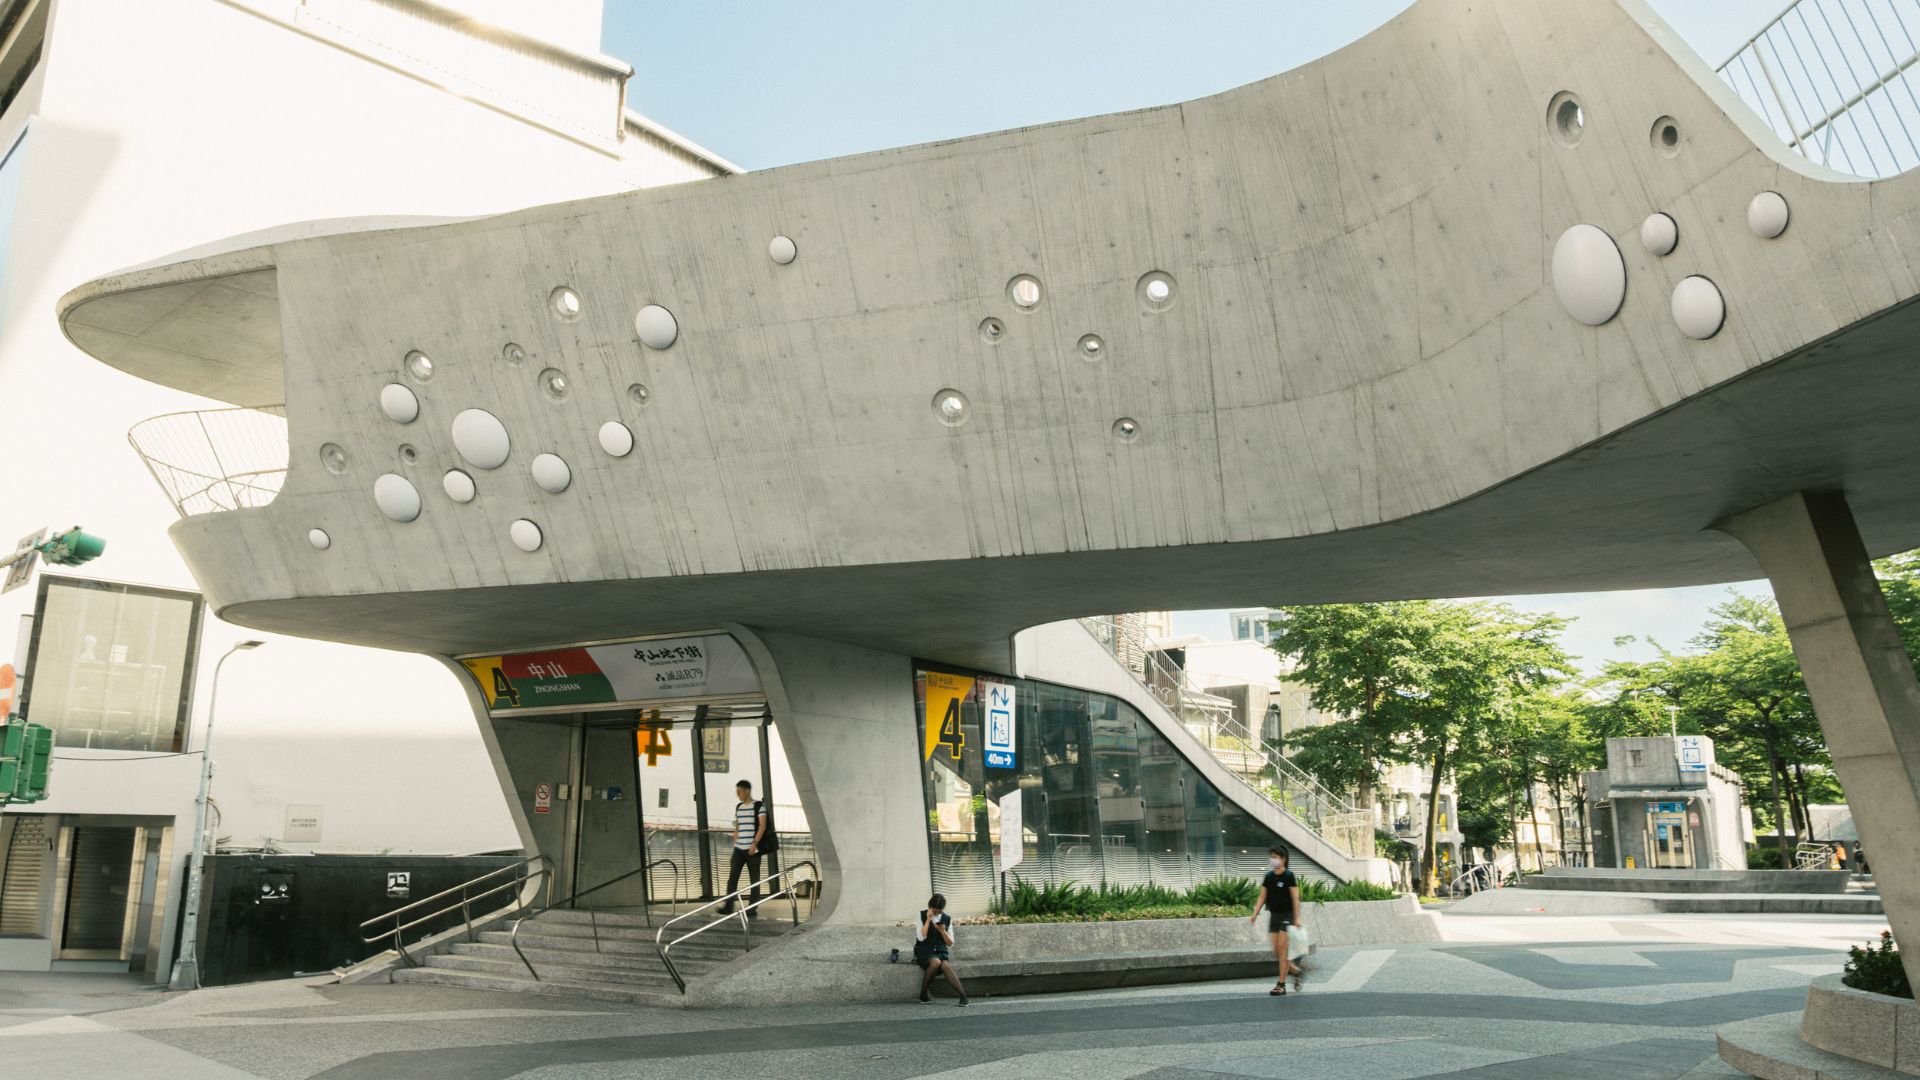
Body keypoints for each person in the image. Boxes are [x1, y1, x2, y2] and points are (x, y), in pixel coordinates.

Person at [1250, 846, 1304, 995]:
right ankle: (1295, 970)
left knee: (1281, 949)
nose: (1272, 859)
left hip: (1287, 916)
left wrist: (1297, 917)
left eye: (1275, 857)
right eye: (1271, 856)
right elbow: (1262, 896)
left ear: (1283, 859)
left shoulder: (1289, 876)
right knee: (1276, 951)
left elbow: (1295, 897)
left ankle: (1281, 985)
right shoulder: (1269, 876)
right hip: (1274, 915)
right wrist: (1255, 913)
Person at [718, 779, 766, 917]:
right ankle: (728, 905)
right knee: (732, 877)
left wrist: (755, 843)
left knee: (754, 878)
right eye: (737, 792)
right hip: (738, 848)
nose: (738, 794)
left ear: (747, 791)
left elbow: (762, 825)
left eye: (740, 792)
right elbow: (738, 824)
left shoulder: (759, 806)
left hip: (752, 848)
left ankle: (752, 908)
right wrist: (735, 836)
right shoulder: (739, 807)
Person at [914, 894, 969, 1006]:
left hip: (941, 952)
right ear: (930, 906)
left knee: (945, 965)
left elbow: (950, 943)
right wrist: (928, 921)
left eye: (939, 912)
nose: (936, 914)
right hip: (925, 952)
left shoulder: (946, 919)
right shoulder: (921, 915)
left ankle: (963, 996)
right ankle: (923, 993)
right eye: (934, 911)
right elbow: (921, 937)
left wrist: (943, 931)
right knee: (936, 962)